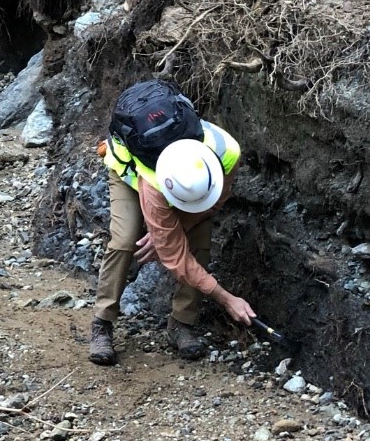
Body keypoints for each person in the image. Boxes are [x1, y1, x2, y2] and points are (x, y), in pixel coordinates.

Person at [89, 80, 255, 366]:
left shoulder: (226, 152)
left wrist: (168, 231)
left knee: (200, 242)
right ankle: (102, 321)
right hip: (129, 174)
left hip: (183, 183)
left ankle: (182, 322)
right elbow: (175, 257)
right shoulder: (154, 186)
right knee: (124, 240)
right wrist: (226, 298)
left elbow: (214, 202)